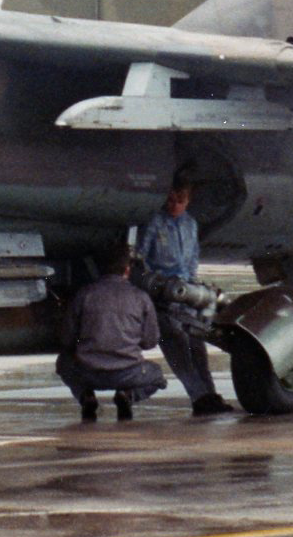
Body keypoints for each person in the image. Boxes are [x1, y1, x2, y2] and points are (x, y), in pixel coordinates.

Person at [136, 177, 233, 416]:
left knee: (197, 346)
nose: (174, 205)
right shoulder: (154, 223)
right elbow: (141, 258)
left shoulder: (191, 225)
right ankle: (199, 397)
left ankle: (210, 394)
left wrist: (192, 289)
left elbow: (192, 261)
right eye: (170, 200)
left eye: (180, 201)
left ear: (188, 201)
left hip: (186, 293)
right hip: (162, 293)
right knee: (177, 345)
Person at [57, 244, 167, 421]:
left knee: (63, 363)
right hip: (128, 373)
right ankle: (127, 396)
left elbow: (67, 338)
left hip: (88, 372)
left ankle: (87, 397)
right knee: (158, 376)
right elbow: (150, 341)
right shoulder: (141, 297)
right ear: (127, 269)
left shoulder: (84, 294)